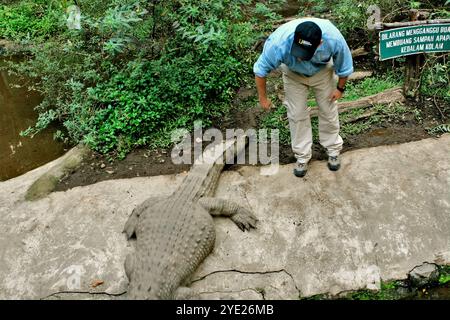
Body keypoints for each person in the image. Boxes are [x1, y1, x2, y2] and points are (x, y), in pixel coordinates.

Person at [254, 18, 354, 177]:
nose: (300, 57)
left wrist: (340, 89)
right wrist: (263, 99)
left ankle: (333, 150)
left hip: (322, 72)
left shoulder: (333, 38)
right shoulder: (278, 42)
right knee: (296, 114)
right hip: (293, 75)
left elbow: (345, 66)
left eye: (304, 53)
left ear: (320, 43)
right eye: (298, 51)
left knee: (328, 110)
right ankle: (302, 156)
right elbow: (260, 70)